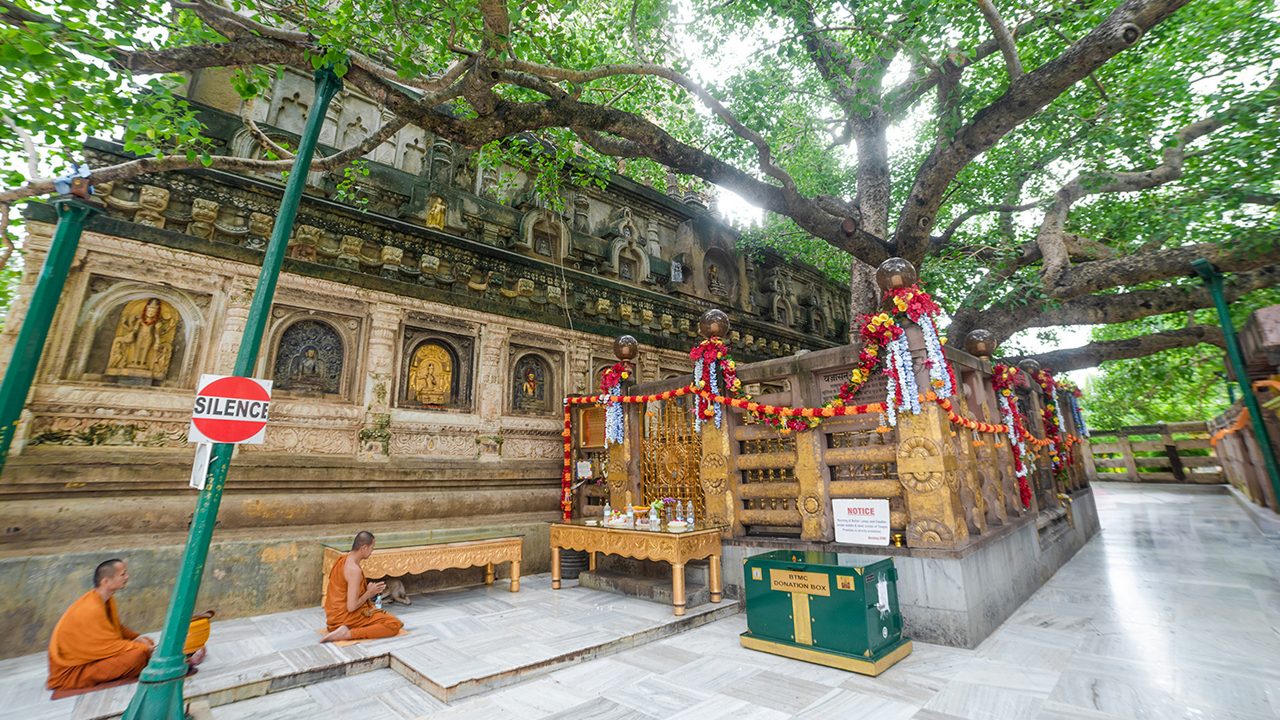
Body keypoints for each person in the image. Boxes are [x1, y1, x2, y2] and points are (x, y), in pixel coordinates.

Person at [47, 559, 154, 691]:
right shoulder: (91, 608)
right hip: (73, 670)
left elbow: (116, 629)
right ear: (105, 582)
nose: (127, 577)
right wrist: (140, 647)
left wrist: (136, 638)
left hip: (94, 655)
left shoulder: (106, 600)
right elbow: (107, 645)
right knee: (137, 655)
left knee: (146, 642)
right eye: (123, 574)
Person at [321, 531, 404, 642]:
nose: (371, 552)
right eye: (372, 548)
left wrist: (367, 591)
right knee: (394, 624)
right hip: (344, 618)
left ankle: (345, 630)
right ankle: (347, 634)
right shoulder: (354, 570)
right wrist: (369, 593)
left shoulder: (344, 559)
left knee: (384, 616)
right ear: (364, 548)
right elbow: (351, 607)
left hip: (333, 617)